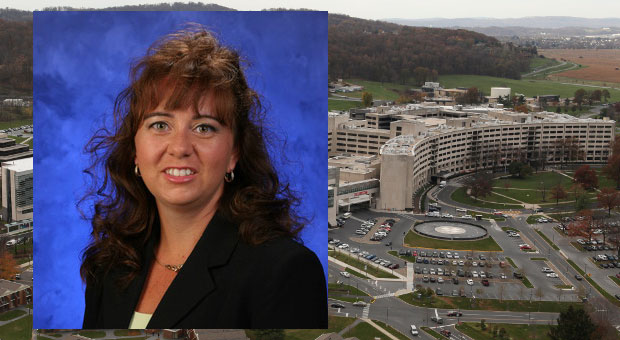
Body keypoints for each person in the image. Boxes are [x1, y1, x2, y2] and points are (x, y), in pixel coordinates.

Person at [80, 25, 327, 329]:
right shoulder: (108, 265)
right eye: (160, 125)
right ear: (134, 149)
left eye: (204, 127)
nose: (180, 148)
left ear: (234, 152)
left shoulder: (284, 271)